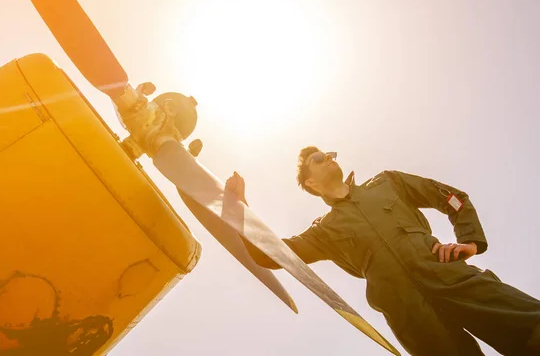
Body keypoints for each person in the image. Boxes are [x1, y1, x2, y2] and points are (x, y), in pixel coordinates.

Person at [225, 146, 540, 356]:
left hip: (453, 278)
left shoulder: (387, 183)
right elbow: (271, 254)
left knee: (533, 328)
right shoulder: (324, 231)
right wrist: (241, 209)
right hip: (410, 316)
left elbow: (452, 198)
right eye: (319, 159)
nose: (329, 157)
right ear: (310, 182)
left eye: (329, 152)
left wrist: (470, 242)